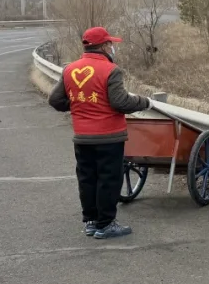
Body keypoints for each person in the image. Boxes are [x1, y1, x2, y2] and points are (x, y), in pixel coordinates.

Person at [47, 26, 152, 240]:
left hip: (82, 136)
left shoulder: (70, 70)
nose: (112, 47)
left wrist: (78, 105)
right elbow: (120, 102)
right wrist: (145, 102)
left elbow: (55, 100)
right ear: (104, 46)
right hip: (109, 136)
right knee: (108, 179)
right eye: (110, 44)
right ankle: (106, 224)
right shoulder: (110, 70)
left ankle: (91, 222)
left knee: (87, 178)